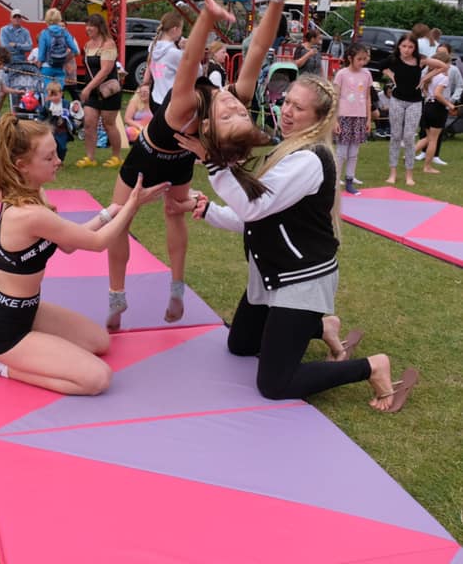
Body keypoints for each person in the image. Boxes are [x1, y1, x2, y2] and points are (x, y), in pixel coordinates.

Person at [171, 75, 419, 413]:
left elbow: (253, 207)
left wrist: (212, 162)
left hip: (302, 281)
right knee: (241, 345)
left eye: (298, 108)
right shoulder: (287, 150)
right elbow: (258, 216)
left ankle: (372, 367)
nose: (287, 111)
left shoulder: (309, 159)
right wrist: (206, 209)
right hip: (273, 274)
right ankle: (323, 326)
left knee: (275, 384)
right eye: (287, 101)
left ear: (318, 118)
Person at [106, 0, 308, 331]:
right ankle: (150, 292)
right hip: (179, 159)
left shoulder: (184, 107)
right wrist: (277, 0)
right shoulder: (232, 98)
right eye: (240, 112)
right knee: (157, 216)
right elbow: (259, 49)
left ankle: (134, 293)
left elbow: (188, 62)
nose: (233, 106)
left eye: (228, 116)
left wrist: (206, 18)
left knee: (129, 220)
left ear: (209, 127)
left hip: (151, 159)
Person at [0, 116, 169, 394]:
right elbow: (98, 243)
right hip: (4, 330)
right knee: (97, 379)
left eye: (56, 152)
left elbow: (67, 243)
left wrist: (110, 212)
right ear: (22, 166)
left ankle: (24, 350)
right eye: (49, 157)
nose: (58, 161)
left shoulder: (34, 195)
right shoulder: (28, 214)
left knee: (100, 342)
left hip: (29, 310)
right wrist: (133, 204)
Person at [380, 34, 446, 187]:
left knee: (409, 137)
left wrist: (425, 78)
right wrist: (391, 75)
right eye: (404, 46)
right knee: (396, 136)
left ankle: (409, 174)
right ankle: (392, 173)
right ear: (399, 46)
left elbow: (443, 66)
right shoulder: (394, 59)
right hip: (397, 101)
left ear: (415, 48)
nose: (406, 50)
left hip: (414, 102)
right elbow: (380, 66)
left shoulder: (420, 60)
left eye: (410, 47)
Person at [76, 12, 123, 169]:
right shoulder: (88, 45)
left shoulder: (108, 44)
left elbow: (105, 70)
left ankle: (116, 157)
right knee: (89, 124)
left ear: (99, 27)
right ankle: (90, 157)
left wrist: (88, 88)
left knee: (109, 124)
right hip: (92, 91)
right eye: (87, 25)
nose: (88, 28)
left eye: (92, 26)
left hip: (107, 90)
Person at [333, 43, 373, 196]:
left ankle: (349, 180)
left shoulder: (367, 74)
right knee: (341, 152)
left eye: (364, 59)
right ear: (350, 58)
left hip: (360, 117)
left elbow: (368, 97)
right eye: (359, 59)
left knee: (354, 152)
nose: (362, 62)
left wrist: (368, 119)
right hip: (344, 116)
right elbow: (335, 97)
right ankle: (335, 181)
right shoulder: (341, 74)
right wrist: (335, 120)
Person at [416, 42, 463, 165]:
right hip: (437, 106)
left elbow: (459, 86)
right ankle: (426, 162)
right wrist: (449, 104)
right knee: (430, 136)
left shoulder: (449, 71)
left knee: (431, 136)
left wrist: (452, 100)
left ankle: (422, 155)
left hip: (433, 105)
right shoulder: (438, 74)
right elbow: (436, 93)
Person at [413, 52, 455, 174]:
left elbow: (426, 93)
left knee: (428, 137)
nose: (449, 65)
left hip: (427, 107)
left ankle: (409, 155)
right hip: (437, 109)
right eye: (448, 63)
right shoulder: (444, 77)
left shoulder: (429, 76)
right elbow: (437, 94)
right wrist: (449, 104)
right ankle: (427, 167)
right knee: (433, 140)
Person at [143, 10, 185, 113]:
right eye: (181, 29)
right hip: (170, 101)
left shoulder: (153, 46)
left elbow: (148, 68)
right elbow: (195, 73)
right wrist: (185, 50)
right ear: (175, 29)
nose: (181, 33)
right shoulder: (174, 53)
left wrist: (145, 84)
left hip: (155, 98)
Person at [37, 8, 79, 92]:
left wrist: (37, 68)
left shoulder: (44, 33)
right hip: (60, 68)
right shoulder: (65, 32)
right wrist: (65, 59)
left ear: (47, 19)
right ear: (59, 18)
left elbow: (41, 56)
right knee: (58, 94)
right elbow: (75, 51)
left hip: (46, 68)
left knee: (48, 93)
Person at [41, 80, 75, 162]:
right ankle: (52, 160)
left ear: (61, 94)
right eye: (51, 96)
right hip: (51, 129)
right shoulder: (47, 105)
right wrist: (40, 122)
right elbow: (42, 115)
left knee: (62, 147)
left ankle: (60, 160)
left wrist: (72, 123)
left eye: (55, 95)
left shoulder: (66, 104)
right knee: (51, 146)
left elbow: (71, 115)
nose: (53, 98)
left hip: (62, 130)